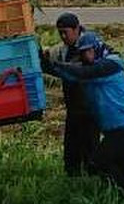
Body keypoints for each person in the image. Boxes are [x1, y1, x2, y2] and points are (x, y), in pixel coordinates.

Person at [45, 30, 124, 194]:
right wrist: (45, 64)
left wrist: (53, 64)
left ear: (96, 48)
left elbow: (80, 73)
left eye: (89, 51)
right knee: (123, 165)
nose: (87, 56)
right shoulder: (93, 67)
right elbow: (72, 73)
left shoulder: (109, 65)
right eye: (83, 52)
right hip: (115, 127)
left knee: (98, 162)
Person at [47, 12, 109, 176]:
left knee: (90, 148)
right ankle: (73, 179)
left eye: (65, 32)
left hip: (90, 107)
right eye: (60, 33)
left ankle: (93, 179)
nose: (63, 36)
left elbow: (78, 70)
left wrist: (56, 67)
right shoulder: (64, 49)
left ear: (76, 29)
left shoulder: (88, 47)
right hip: (73, 107)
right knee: (71, 150)